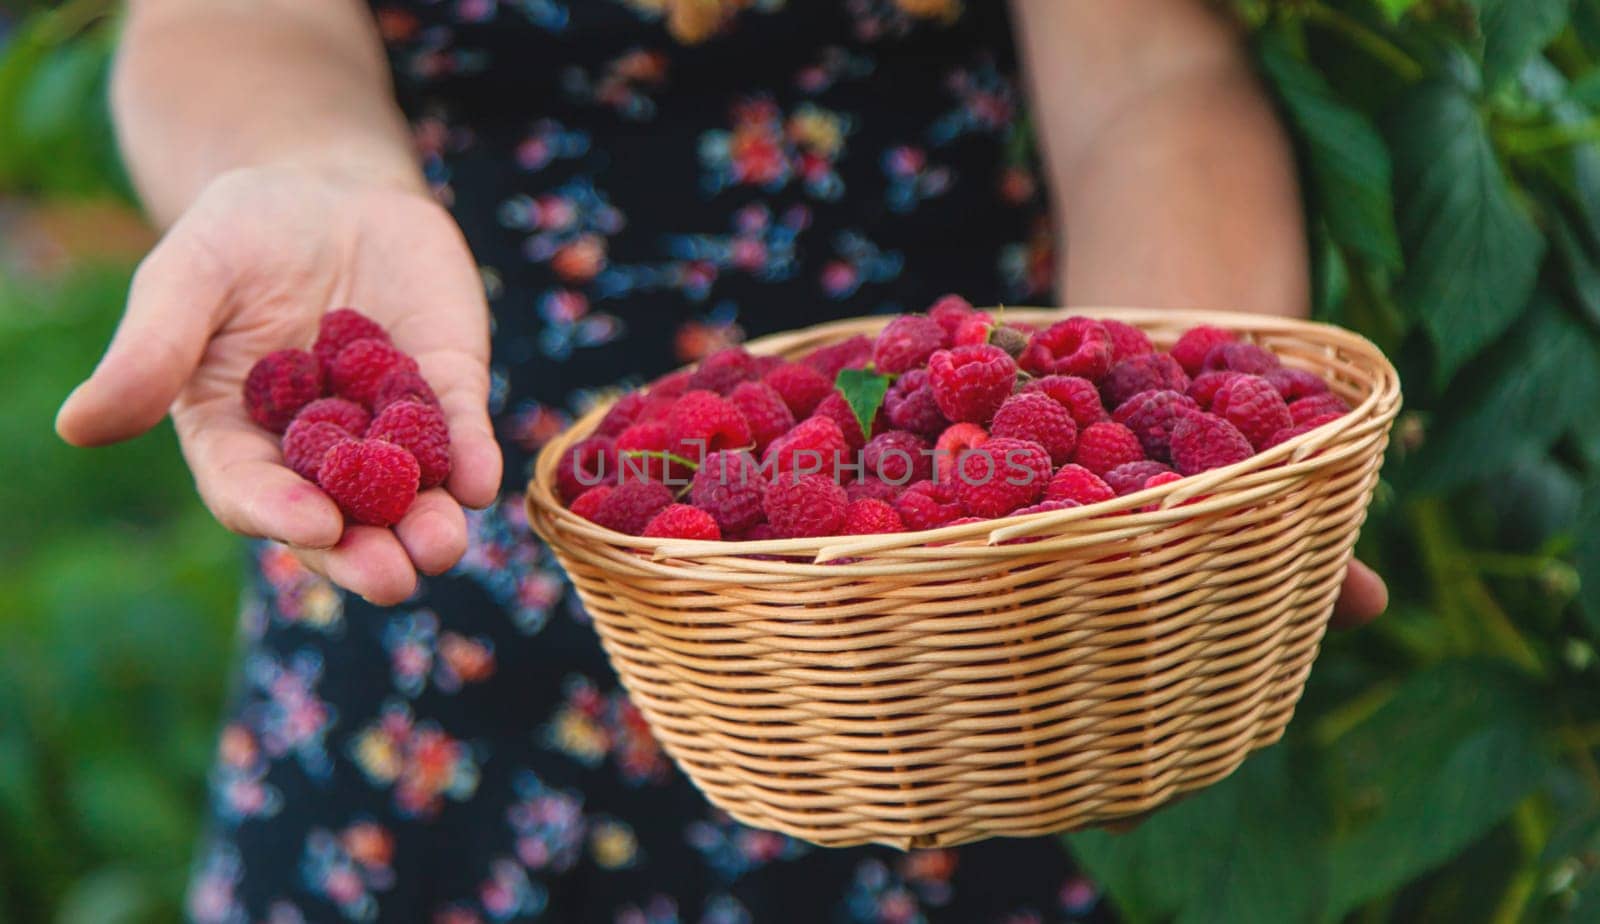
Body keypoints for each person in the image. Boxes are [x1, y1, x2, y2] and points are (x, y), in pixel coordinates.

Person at [59, 0, 1388, 920]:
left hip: (944, 621)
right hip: (444, 566)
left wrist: (1158, 472)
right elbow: (227, 18)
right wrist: (315, 181)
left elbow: (1151, 71)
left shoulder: (1002, 526)